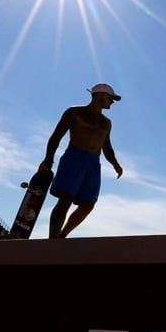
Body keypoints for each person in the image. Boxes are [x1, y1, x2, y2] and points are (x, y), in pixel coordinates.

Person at [41, 83, 124, 238]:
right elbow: (56, 136)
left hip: (93, 163)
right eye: (110, 98)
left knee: (88, 204)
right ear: (99, 96)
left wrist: (115, 164)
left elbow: (107, 146)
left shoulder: (106, 122)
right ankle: (52, 240)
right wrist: (47, 160)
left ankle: (62, 236)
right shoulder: (75, 112)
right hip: (74, 157)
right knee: (66, 199)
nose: (112, 102)